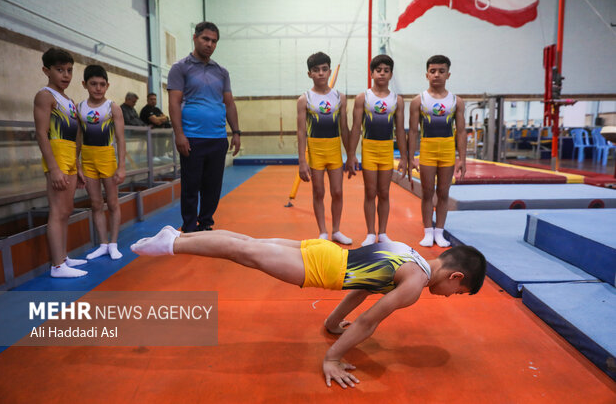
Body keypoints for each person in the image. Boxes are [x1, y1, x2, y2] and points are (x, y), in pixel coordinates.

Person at [130, 225, 486, 389]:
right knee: (246, 252)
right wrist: (331, 357)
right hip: (322, 268)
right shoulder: (415, 285)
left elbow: (361, 289)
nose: (450, 297)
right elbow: (368, 321)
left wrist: (333, 322)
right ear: (455, 277)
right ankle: (174, 243)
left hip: (327, 252)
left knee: (249, 244)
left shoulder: (409, 252)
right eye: (459, 291)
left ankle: (179, 237)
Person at [168, 21, 241, 233]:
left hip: (218, 138)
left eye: (214, 41)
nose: (209, 44)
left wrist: (235, 132)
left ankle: (206, 223)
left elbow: (229, 103)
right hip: (192, 137)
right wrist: (179, 134)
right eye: (205, 39)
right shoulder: (180, 68)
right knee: (191, 186)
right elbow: (174, 103)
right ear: (195, 38)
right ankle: (190, 228)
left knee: (212, 187)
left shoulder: (221, 72)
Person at [33, 48, 88, 278]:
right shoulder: (45, 96)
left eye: (69, 71)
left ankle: (63, 257)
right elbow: (41, 133)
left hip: (69, 157)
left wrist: (79, 166)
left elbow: (76, 135)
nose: (65, 75)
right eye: (59, 70)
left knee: (66, 210)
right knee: (57, 211)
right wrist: (54, 168)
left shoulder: (69, 100)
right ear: (46, 70)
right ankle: (57, 266)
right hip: (56, 155)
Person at [347, 55, 408, 247]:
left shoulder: (397, 100)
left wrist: (405, 157)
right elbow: (356, 127)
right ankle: (370, 233)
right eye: (378, 70)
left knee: (384, 192)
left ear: (390, 74)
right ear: (372, 73)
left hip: (387, 149)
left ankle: (382, 233)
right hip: (369, 148)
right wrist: (350, 155)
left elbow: (399, 130)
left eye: (386, 70)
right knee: (370, 192)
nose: (382, 73)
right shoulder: (363, 98)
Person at [409, 55, 466, 248]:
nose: (436, 75)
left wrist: (462, 159)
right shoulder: (419, 100)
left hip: (448, 150)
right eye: (432, 71)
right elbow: (414, 131)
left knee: (443, 192)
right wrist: (411, 157)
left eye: (441, 71)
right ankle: (427, 231)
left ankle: (439, 232)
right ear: (426, 75)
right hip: (427, 150)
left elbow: (462, 131)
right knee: (427, 192)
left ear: (448, 74)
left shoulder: (456, 101)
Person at [297, 52, 352, 245]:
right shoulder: (304, 99)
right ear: (309, 73)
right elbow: (301, 131)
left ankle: (336, 230)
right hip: (315, 150)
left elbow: (344, 129)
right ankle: (322, 231)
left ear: (329, 71)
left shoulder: (339, 97)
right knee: (318, 191)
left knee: (337, 191)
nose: (320, 73)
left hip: (334, 149)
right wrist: (302, 161)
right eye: (316, 70)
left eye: (324, 69)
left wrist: (351, 155)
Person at [78, 65, 126, 260]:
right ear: (85, 84)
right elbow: (78, 138)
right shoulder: (80, 107)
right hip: (88, 159)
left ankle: (113, 243)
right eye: (93, 84)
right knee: (96, 204)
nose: (98, 88)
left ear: (107, 86)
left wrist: (121, 166)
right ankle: (102, 244)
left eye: (102, 84)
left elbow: (121, 139)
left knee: (113, 202)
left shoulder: (112, 107)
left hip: (107, 157)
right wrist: (77, 164)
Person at [140, 92, 171, 158]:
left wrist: (159, 119)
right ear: (147, 100)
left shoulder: (157, 109)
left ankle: (163, 154)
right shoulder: (146, 109)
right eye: (151, 99)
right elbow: (156, 121)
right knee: (155, 136)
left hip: (159, 130)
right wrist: (160, 119)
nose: (153, 101)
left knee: (173, 134)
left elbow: (166, 118)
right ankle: (153, 157)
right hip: (148, 132)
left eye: (154, 99)